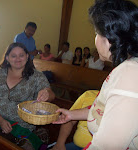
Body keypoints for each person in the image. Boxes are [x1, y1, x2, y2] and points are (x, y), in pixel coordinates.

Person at [53, 0, 138, 149]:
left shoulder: (129, 74)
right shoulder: (127, 68)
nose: (95, 39)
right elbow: (103, 109)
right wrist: (72, 115)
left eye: (96, 33)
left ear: (110, 38)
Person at [0, 42, 55, 149]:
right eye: (13, 56)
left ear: (27, 56)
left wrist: (47, 94)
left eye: (21, 55)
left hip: (18, 125)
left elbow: (51, 94)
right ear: (7, 58)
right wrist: (0, 120)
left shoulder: (36, 76)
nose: (18, 59)